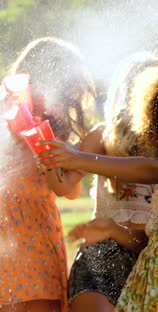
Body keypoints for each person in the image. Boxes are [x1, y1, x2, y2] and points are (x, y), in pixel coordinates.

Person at [0, 37, 96, 312]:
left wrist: (55, 154)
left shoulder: (51, 117)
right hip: (26, 230)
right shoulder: (9, 112)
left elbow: (69, 189)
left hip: (8, 225)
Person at [38, 65, 158, 312]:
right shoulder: (103, 135)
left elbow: (147, 169)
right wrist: (45, 147)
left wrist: (73, 158)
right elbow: (62, 186)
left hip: (143, 251)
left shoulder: (153, 147)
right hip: (107, 256)